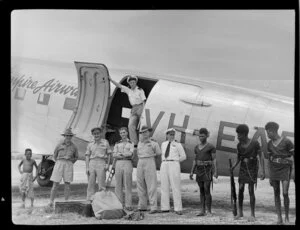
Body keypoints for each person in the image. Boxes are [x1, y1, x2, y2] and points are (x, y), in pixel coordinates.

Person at [230, 124, 265, 222]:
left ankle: (252, 214)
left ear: (245, 134)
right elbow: (238, 158)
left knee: (250, 191)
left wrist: (262, 170)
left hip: (252, 168)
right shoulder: (239, 145)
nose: (238, 136)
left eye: (239, 135)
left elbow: (260, 156)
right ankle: (240, 212)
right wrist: (233, 166)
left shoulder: (254, 143)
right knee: (240, 189)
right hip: (243, 168)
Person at [264, 121, 294, 224]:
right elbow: (268, 160)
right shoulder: (269, 144)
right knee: (276, 193)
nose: (267, 135)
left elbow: (293, 156)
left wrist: (292, 169)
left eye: (268, 132)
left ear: (273, 131)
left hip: (285, 169)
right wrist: (270, 176)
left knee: (285, 193)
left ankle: (286, 217)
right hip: (274, 170)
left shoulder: (287, 142)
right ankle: (279, 218)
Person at [108, 75, 146, 147]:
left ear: (136, 82)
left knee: (142, 126)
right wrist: (111, 79)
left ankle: (143, 143)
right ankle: (134, 144)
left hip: (141, 107)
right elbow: (119, 85)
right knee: (130, 125)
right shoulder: (128, 90)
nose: (132, 84)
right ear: (129, 83)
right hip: (133, 108)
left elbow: (144, 100)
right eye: (131, 82)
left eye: (134, 82)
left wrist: (143, 112)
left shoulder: (140, 90)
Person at [190, 128, 217, 217]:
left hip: (207, 170)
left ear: (207, 136)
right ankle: (202, 210)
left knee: (207, 189)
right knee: (201, 190)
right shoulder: (196, 147)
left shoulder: (211, 147)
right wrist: (192, 171)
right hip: (199, 170)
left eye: (203, 136)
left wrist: (215, 171)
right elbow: (195, 160)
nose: (201, 138)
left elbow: (214, 159)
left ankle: (209, 211)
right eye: (199, 136)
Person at [48, 128, 78, 207]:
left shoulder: (74, 147)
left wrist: (70, 161)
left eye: (69, 136)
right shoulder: (59, 145)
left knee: (67, 184)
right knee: (55, 183)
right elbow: (54, 155)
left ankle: (66, 201)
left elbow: (76, 157)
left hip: (68, 164)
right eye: (66, 135)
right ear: (64, 136)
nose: (68, 137)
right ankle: (51, 201)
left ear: (71, 137)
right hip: (59, 162)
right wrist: (59, 161)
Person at [160, 128, 186, 215]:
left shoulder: (178, 145)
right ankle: (165, 207)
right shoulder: (163, 144)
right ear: (166, 135)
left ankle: (178, 208)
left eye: (173, 134)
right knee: (164, 186)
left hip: (174, 164)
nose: (171, 136)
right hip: (164, 164)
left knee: (175, 186)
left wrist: (176, 160)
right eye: (170, 134)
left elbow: (183, 156)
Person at [136, 125, 162, 214]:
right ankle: (142, 206)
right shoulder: (139, 143)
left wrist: (153, 158)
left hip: (150, 161)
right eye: (142, 132)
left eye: (146, 132)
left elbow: (158, 153)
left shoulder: (154, 143)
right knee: (140, 184)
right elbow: (137, 153)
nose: (144, 134)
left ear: (149, 132)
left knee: (151, 185)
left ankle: (153, 207)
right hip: (140, 162)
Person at [85, 127, 112, 201]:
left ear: (101, 134)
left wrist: (107, 164)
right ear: (92, 135)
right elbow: (87, 156)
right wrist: (87, 167)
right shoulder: (90, 144)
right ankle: (90, 200)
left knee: (102, 184)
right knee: (91, 183)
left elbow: (109, 154)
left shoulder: (105, 142)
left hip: (101, 162)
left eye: (98, 133)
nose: (96, 135)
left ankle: (102, 200)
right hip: (92, 163)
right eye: (94, 134)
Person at [113, 127, 134, 211]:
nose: (123, 134)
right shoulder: (117, 143)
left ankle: (128, 204)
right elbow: (114, 154)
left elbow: (131, 154)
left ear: (127, 133)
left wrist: (121, 154)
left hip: (127, 162)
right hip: (118, 163)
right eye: (121, 133)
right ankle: (119, 204)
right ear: (120, 134)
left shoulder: (131, 143)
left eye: (124, 132)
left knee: (128, 184)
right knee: (118, 184)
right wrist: (124, 154)